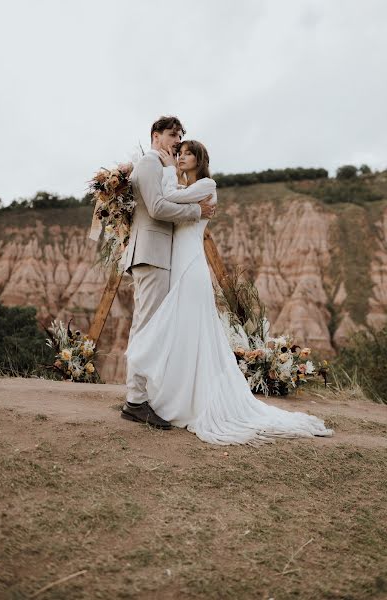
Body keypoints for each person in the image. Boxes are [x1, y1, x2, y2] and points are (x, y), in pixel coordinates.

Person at [125, 140, 334, 445]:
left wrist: (167, 169)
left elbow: (167, 197)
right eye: (178, 152)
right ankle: (174, 393)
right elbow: (167, 205)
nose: (180, 157)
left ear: (200, 158)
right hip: (177, 260)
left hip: (191, 265)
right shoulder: (188, 189)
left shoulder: (207, 183)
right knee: (181, 329)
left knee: (191, 327)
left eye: (186, 153)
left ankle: (184, 395)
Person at [122, 116, 215, 429]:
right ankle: (135, 401)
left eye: (179, 136)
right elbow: (159, 208)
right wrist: (197, 211)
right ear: (155, 135)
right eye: (172, 135)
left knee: (151, 325)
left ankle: (142, 395)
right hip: (151, 253)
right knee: (146, 325)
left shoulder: (159, 166)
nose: (177, 141)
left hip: (158, 253)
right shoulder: (149, 164)